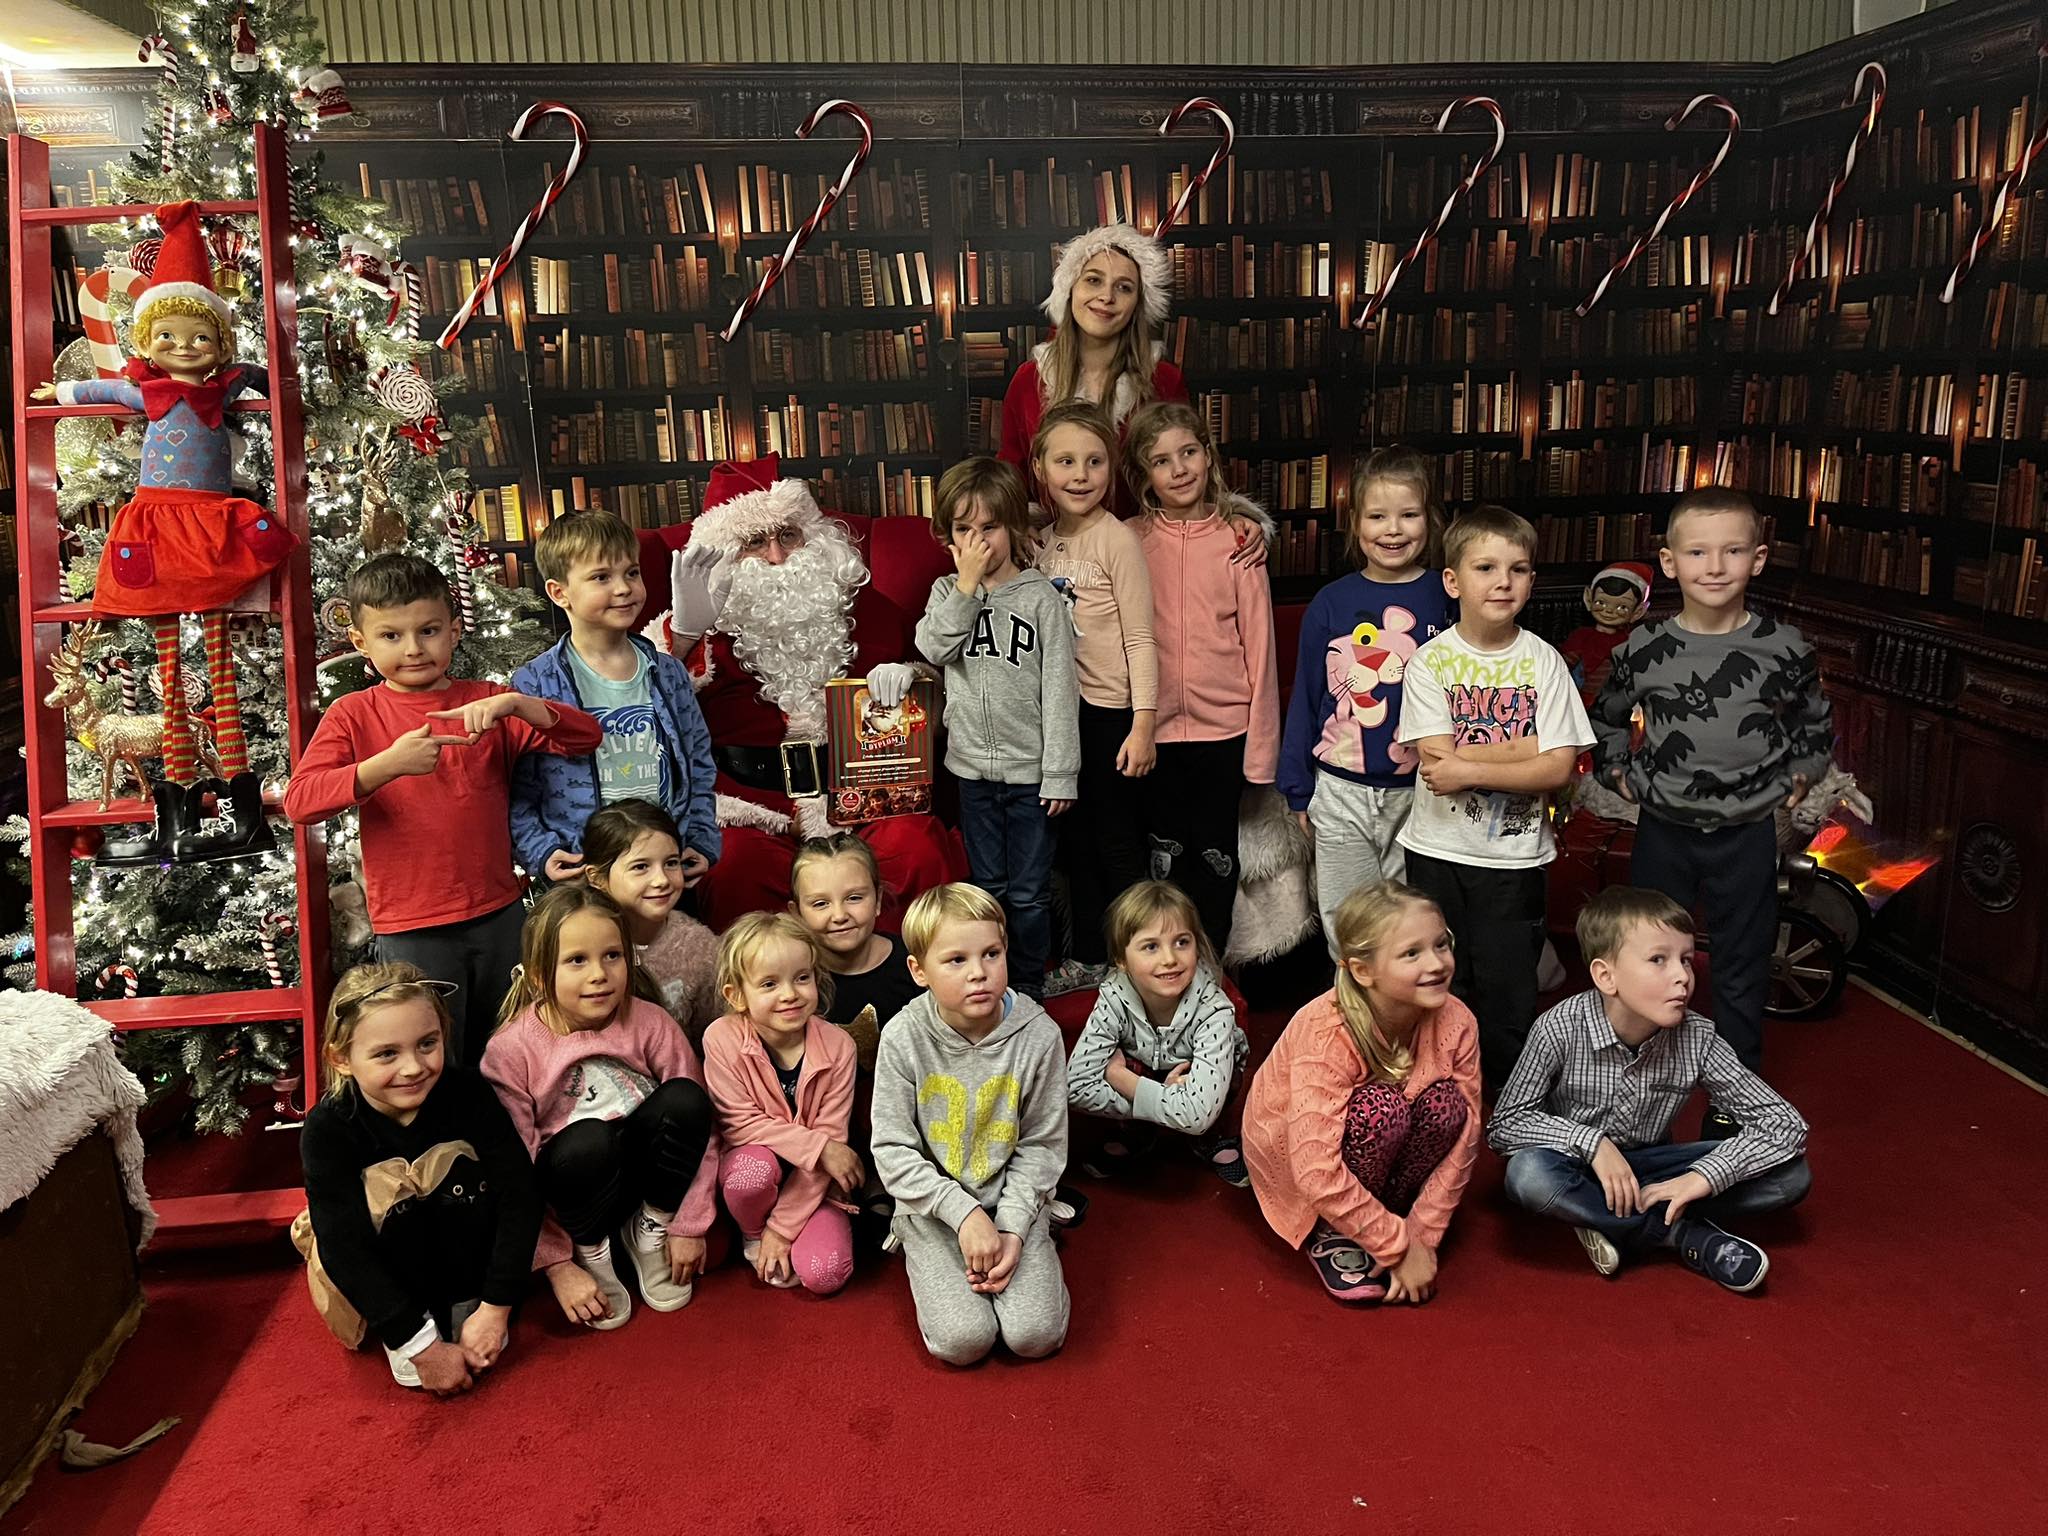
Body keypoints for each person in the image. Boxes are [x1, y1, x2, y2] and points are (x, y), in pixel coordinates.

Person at [36, 199, 294, 865]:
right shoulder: (143, 394)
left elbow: (261, 380)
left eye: (199, 337)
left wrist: (277, 379)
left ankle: (241, 815)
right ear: (146, 342)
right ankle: (174, 817)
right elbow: (97, 391)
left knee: (220, 668)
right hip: (155, 527)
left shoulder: (226, 388)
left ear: (220, 344)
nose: (183, 347)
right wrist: (59, 395)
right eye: (168, 336)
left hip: (207, 531)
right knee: (167, 671)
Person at [283, 554, 601, 1061]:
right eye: (391, 636)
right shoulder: (353, 714)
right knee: (431, 1056)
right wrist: (385, 766)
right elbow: (301, 802)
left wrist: (518, 704)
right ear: (361, 641)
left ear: (454, 631)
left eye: (428, 631)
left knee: (512, 1050)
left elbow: (586, 738)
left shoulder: (488, 702)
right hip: (411, 924)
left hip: (498, 913)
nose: (413, 648)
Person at [643, 454, 959, 930]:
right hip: (751, 806)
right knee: (735, 869)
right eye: (755, 542)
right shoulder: (690, 627)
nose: (777, 557)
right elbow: (643, 715)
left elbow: (932, 702)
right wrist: (685, 634)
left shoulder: (862, 607)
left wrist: (916, 684)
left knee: (917, 848)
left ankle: (906, 971)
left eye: (788, 536)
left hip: (863, 798)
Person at [1592, 489, 1834, 1087]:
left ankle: (1736, 1091)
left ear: (1758, 558)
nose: (1716, 566)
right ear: (1670, 562)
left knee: (1742, 965)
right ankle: (1638, 1083)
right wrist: (1618, 771)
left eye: (1733, 551)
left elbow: (1814, 725)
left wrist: (1802, 774)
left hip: (1746, 833)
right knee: (1645, 956)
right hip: (1664, 830)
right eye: (1698, 552)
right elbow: (1605, 718)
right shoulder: (1643, 649)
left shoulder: (1784, 648)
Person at [1488, 886, 1812, 1293]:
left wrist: (1704, 1176)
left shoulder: (1698, 1037)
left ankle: (1604, 1219)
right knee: (1528, 1175)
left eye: (1686, 960)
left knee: (1791, 1176)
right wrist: (1592, 1144)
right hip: (1577, 1167)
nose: (1683, 976)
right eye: (1659, 960)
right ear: (1606, 976)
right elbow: (1505, 1124)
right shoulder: (1559, 1027)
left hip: (1654, 1169)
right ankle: (1681, 1235)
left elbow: (1785, 1125)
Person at [1394, 506, 1592, 1082]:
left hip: (1514, 857)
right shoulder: (1430, 663)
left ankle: (1509, 1099)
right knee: (1440, 981)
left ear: (1531, 579)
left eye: (1518, 569)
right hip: (1437, 852)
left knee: (1508, 990)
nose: (1503, 581)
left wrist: (1471, 764)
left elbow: (1558, 768)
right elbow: (1437, 766)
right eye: (1485, 567)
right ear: (1453, 581)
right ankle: (1442, 1089)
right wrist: (1527, 747)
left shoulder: (1544, 662)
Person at [480, 886, 721, 1332]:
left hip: (648, 1187)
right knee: (587, 1140)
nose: (599, 975)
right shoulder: (509, 1052)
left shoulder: (651, 1022)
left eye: (612, 956)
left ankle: (648, 1231)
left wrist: (689, 1223)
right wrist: (557, 1265)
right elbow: (515, 1173)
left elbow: (703, 1128)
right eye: (577, 960)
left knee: (686, 1098)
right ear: (539, 975)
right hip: (577, 1196)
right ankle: (593, 1251)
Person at [296, 962, 542, 1395]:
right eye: (386, 1054)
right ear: (341, 1058)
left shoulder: (468, 1093)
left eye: (427, 1044)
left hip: (470, 1258)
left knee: (452, 1163)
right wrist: (416, 1343)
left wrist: (495, 1306)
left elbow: (519, 1194)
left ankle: (465, 1298)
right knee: (385, 1185)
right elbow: (343, 1246)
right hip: (391, 1271)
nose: (413, 1068)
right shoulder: (328, 1128)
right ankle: (416, 1316)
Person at [1242, 882, 1480, 1305]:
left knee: (1447, 1105)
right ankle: (1331, 1228)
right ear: (1363, 971)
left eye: (1441, 944)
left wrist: (1421, 1236)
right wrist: (1397, 1246)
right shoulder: (1326, 1031)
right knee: (1380, 1109)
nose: (1436, 963)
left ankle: (1383, 1210)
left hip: (1386, 1151)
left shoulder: (1458, 1020)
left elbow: (1467, 1137)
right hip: (1304, 1160)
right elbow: (1314, 1169)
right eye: (1411, 953)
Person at [871, 883, 1070, 1365]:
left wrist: (1014, 1227)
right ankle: (918, 1245)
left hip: (1011, 1201)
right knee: (963, 1341)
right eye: (956, 960)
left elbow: (1042, 1145)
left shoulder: (1040, 1036)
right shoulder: (902, 1037)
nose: (979, 973)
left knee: (1034, 1336)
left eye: (991, 954)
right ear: (919, 971)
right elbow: (892, 1149)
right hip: (933, 1209)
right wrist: (963, 1215)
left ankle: (1039, 1232)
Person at [914, 456, 1080, 998]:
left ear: (1014, 528)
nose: (978, 541)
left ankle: (1028, 986)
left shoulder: (1041, 598)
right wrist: (965, 588)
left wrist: (1060, 772)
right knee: (988, 888)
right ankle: (993, 983)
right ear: (948, 536)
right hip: (972, 772)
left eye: (990, 527)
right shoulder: (946, 593)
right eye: (965, 529)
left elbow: (1061, 690)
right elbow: (933, 647)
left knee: (1029, 894)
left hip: (1031, 774)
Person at [1278, 446, 1453, 955]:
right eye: (1377, 516)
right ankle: (1351, 1003)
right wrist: (1297, 788)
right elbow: (1307, 695)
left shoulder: (1448, 597)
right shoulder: (1330, 602)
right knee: (1346, 919)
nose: (1392, 530)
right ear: (1354, 522)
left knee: (1410, 922)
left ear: (1430, 519)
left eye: (1408, 515)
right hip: (1341, 789)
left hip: (1420, 792)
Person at [1126, 401, 1280, 954]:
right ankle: (1164, 971)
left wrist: (1261, 752)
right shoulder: (1127, 540)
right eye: (1161, 460)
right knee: (1163, 860)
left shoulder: (1238, 542)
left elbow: (1261, 648)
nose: (1179, 469)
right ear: (1143, 475)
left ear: (1208, 455)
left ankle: (1211, 972)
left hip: (1224, 733)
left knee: (1216, 860)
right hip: (1152, 733)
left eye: (1188, 452)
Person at [509, 510, 719, 888]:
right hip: (581, 872)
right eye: (601, 577)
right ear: (559, 592)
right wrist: (540, 850)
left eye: (631, 573)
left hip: (662, 868)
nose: (623, 588)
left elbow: (699, 763)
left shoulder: (668, 673)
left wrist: (701, 838)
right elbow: (517, 787)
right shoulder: (534, 683)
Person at [1031, 402, 1157, 992]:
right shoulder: (1038, 543)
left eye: (1094, 461)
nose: (1080, 475)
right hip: (1059, 716)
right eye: (1065, 461)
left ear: (1112, 467)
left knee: (1117, 843)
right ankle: (1086, 955)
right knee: (1075, 843)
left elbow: (1140, 636)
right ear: (1040, 469)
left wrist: (1143, 723)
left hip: (1110, 715)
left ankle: (1140, 960)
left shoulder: (1117, 540)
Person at [701, 912, 861, 1295]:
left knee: (824, 1275)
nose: (789, 994)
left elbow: (831, 1144)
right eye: (769, 984)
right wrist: (820, 1147)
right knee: (751, 1174)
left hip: (815, 1185)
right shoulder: (721, 1038)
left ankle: (785, 1232)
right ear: (736, 996)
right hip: (754, 1169)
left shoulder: (839, 1046)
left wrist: (783, 1228)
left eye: (802, 978)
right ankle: (752, 1233)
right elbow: (740, 1124)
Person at [1065, 880, 1250, 1186]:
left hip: (1197, 1079)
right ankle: (1142, 1129)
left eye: (1182, 942)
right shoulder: (1114, 996)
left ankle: (1210, 1137)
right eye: (1151, 946)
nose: (1169, 959)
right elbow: (1074, 1087)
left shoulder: (1214, 1008)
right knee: (1136, 1074)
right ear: (1122, 960)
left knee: (1216, 1093)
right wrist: (1165, 1098)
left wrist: (1123, 1080)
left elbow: (1198, 1114)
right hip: (1154, 1075)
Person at [997, 222, 1186, 512]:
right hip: (1051, 538)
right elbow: (1011, 480)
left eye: (1124, 287)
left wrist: (1231, 517)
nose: (1107, 297)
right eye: (1094, 280)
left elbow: (1187, 470)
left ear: (1138, 304)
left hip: (1142, 538)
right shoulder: (1028, 380)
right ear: (1070, 289)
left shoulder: (1164, 380)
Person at [581, 799, 721, 1044]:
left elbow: (714, 1036)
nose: (661, 880)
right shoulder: (574, 941)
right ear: (597, 878)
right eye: (641, 867)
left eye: (671, 863)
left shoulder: (700, 948)